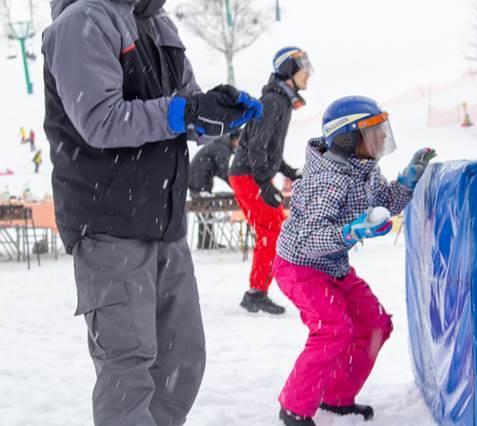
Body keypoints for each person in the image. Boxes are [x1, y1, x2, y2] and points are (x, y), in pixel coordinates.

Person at [42, 0, 262, 425]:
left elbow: (183, 109)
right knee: (128, 365)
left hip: (164, 221)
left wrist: (213, 113)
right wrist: (183, 112)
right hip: (109, 224)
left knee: (183, 359)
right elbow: (101, 120)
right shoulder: (82, 21)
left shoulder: (157, 22)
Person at [273, 95, 436, 426]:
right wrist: (351, 231)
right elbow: (308, 240)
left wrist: (407, 181)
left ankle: (336, 396)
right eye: (373, 133)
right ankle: (293, 407)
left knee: (375, 325)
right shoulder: (326, 180)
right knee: (333, 329)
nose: (380, 140)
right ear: (348, 138)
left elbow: (383, 202)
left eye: (381, 131)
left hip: (333, 266)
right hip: (300, 268)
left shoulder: (365, 170)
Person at [229, 46, 312, 315]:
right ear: (288, 69)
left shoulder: (280, 100)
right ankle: (256, 292)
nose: (308, 73)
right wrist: (264, 183)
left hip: (250, 173)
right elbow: (255, 146)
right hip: (248, 174)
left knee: (273, 230)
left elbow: (269, 150)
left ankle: (257, 291)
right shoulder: (274, 101)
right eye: (303, 66)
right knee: (272, 230)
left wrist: (289, 172)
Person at [188, 129, 241, 198]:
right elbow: (224, 172)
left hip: (197, 181)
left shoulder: (221, 145)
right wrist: (238, 188)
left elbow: (222, 172)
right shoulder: (222, 148)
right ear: (234, 139)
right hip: (198, 181)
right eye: (240, 142)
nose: (241, 146)